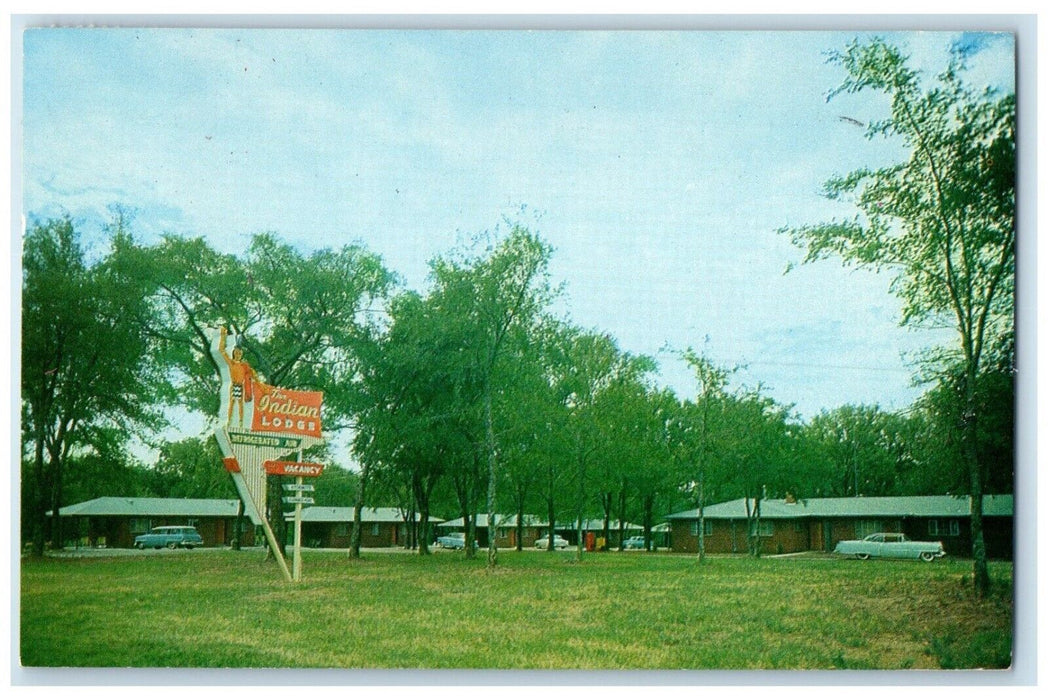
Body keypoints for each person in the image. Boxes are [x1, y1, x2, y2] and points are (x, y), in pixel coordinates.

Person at [218, 326, 260, 428]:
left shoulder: (244, 365)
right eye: (236, 353)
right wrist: (223, 336)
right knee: (232, 403)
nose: (238, 355)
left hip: (241, 386)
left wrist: (258, 382)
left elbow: (252, 374)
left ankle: (241, 422)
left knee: (240, 403)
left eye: (240, 353)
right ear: (234, 353)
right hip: (234, 385)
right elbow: (221, 351)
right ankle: (229, 422)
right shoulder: (231, 363)